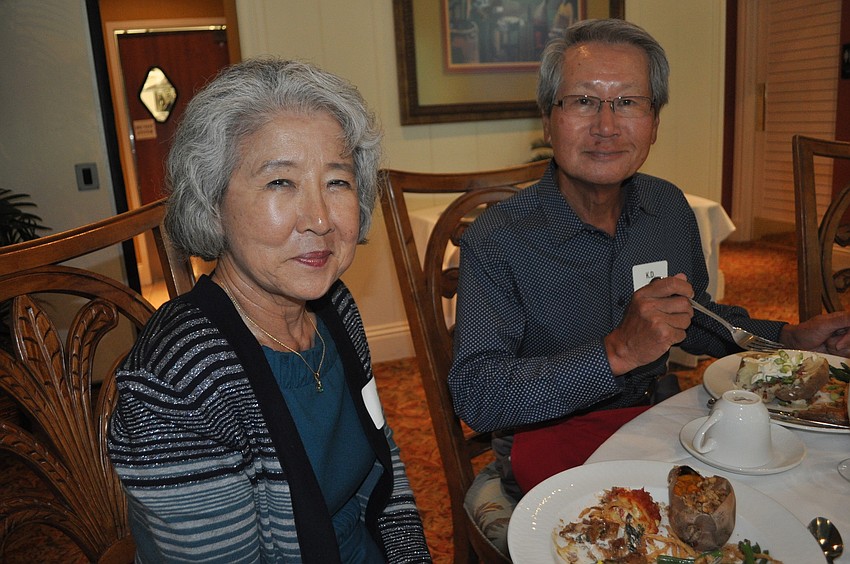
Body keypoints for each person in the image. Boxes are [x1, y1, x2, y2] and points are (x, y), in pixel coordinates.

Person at [448, 18, 850, 497]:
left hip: (657, 423)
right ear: (547, 120)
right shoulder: (497, 239)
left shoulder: (667, 208)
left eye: (628, 102)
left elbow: (694, 318)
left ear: (654, 123)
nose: (606, 127)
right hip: (547, 442)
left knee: (784, 487)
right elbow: (480, 396)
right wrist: (616, 353)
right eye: (583, 101)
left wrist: (785, 339)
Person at [107, 58, 432, 563]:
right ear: (212, 202)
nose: (320, 219)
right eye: (281, 182)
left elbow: (383, 464)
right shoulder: (176, 384)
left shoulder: (334, 308)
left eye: (338, 182)